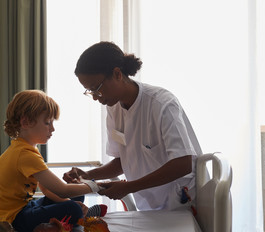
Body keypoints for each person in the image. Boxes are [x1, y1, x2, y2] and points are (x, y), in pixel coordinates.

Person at [63, 41, 203, 211]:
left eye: (96, 88)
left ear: (117, 74)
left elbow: (183, 163)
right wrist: (88, 175)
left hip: (181, 204)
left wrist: (129, 187)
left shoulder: (162, 104)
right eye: (90, 91)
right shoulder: (114, 108)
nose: (95, 97)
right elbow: (124, 161)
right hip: (149, 207)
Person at [0, 90, 106, 232]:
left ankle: (74, 216)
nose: (52, 129)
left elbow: (47, 190)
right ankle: (75, 218)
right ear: (26, 122)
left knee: (74, 199)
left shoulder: (25, 149)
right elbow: (62, 190)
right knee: (72, 208)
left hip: (24, 209)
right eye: (47, 122)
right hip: (11, 221)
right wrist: (96, 186)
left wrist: (70, 201)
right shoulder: (25, 155)